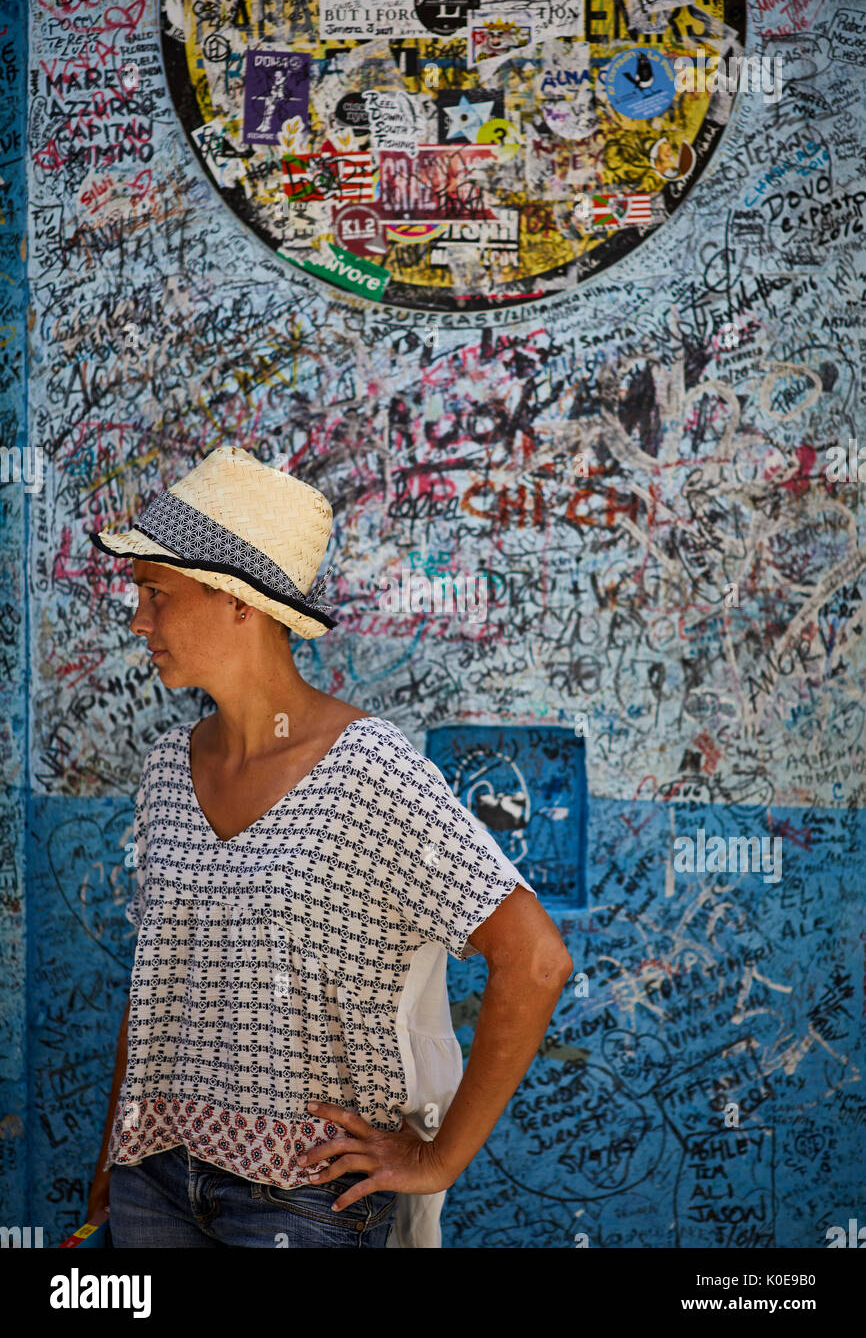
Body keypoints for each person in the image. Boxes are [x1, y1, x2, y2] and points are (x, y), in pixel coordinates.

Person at [84, 444, 573, 1248]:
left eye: (155, 593)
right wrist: (115, 1152)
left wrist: (437, 1159)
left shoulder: (368, 770)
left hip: (303, 1200)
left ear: (239, 602)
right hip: (153, 1188)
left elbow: (536, 958)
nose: (140, 621)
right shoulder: (168, 769)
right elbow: (155, 985)